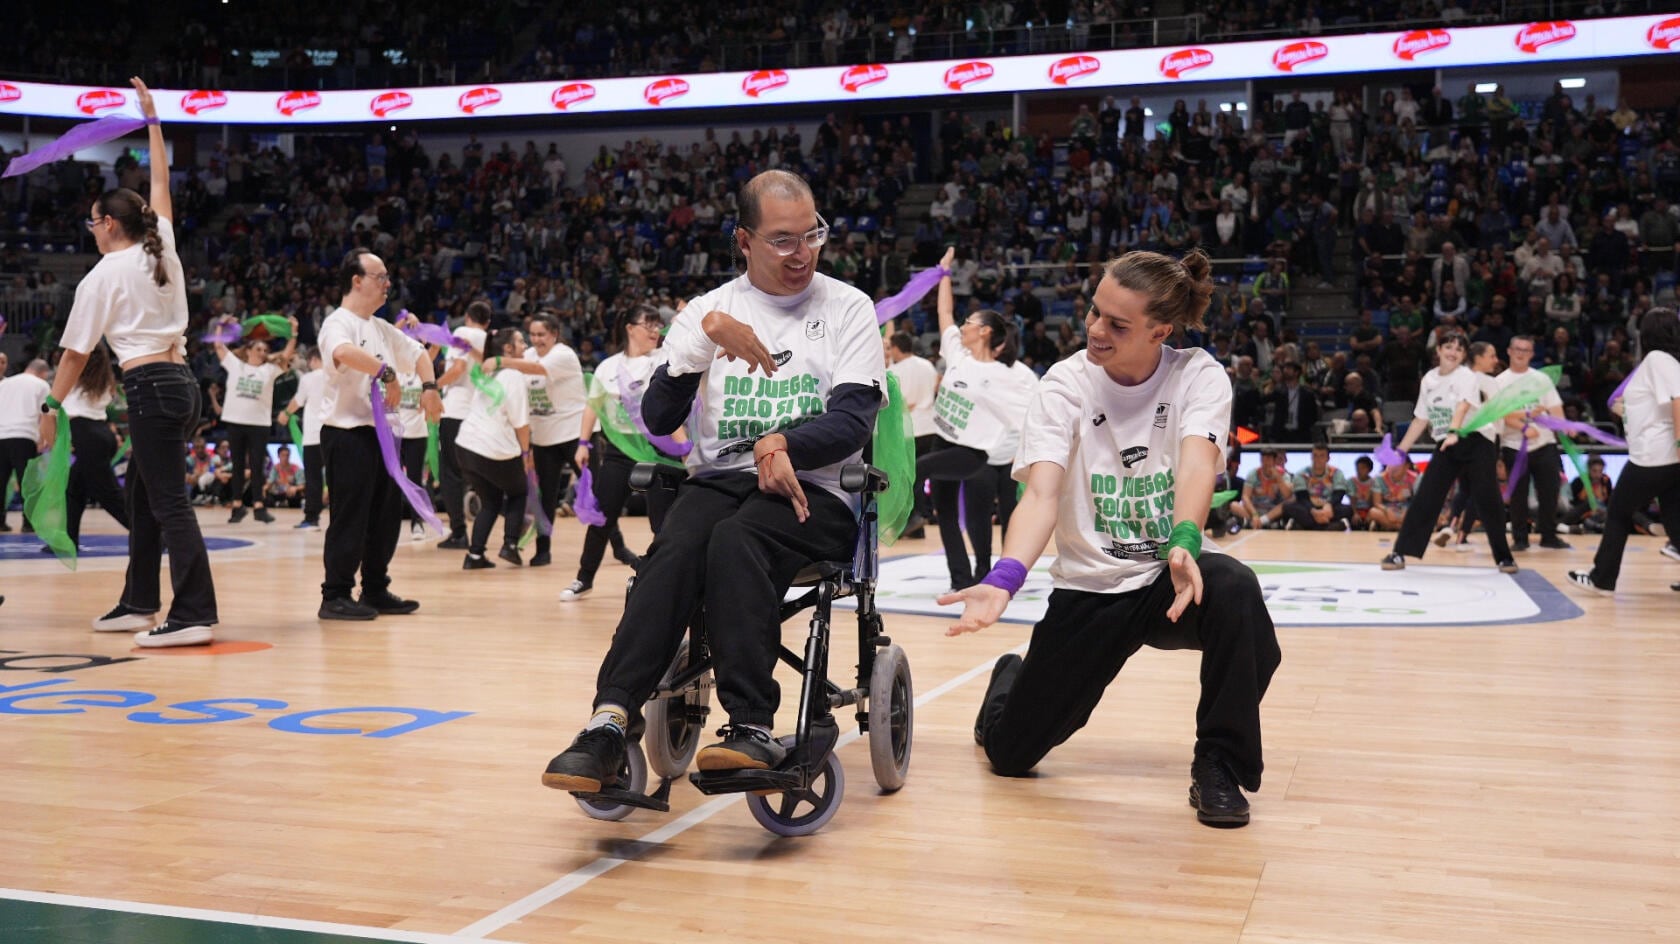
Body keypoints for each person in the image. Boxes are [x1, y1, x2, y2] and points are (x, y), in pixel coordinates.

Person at [542, 170, 883, 791]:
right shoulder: (707, 311)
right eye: (783, 239)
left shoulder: (848, 306)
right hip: (720, 479)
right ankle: (609, 720)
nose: (802, 252)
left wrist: (783, 441)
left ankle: (751, 724)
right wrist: (702, 340)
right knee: (672, 553)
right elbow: (657, 417)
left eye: (812, 234)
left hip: (816, 492)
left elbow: (853, 420)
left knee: (737, 541)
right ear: (743, 240)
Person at [948, 249, 1281, 828]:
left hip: (1168, 575)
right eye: (1095, 313)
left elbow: (1198, 466)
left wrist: (1184, 541)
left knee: (1238, 595)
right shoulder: (1064, 384)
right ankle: (1008, 683)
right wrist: (1004, 580)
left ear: (1161, 331)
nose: (1096, 330)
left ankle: (1218, 767)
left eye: (1117, 324)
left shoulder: (1196, 373)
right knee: (1009, 756)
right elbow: (1042, 495)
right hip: (1093, 586)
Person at [40, 78, 220, 648]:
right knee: (144, 496)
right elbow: (161, 186)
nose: (91, 230)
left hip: (152, 389)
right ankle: (139, 601)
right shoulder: (159, 242)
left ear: (110, 224)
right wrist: (154, 122)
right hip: (182, 385)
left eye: (93, 222)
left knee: (167, 502)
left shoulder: (103, 275)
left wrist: (49, 405)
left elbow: (73, 355)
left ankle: (194, 613)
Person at [314, 248, 444, 620]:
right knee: (350, 515)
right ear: (356, 281)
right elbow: (344, 353)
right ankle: (335, 594)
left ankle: (374, 588)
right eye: (380, 276)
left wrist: (430, 387)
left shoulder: (380, 327)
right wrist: (385, 372)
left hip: (383, 436)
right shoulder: (338, 322)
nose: (387, 283)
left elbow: (418, 353)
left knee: (385, 516)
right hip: (346, 433)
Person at [916, 252, 1035, 590]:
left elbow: (1031, 413)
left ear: (984, 331)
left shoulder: (1008, 374)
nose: (962, 326)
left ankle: (994, 567)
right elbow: (944, 312)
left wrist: (1024, 451)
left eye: (970, 323)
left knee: (921, 469)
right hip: (943, 438)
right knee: (947, 518)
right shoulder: (957, 353)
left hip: (974, 451)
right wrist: (944, 273)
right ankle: (960, 580)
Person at [560, 305, 681, 600]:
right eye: (648, 325)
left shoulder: (665, 359)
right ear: (630, 328)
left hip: (659, 449)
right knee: (603, 516)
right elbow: (593, 406)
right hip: (618, 451)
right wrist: (583, 443)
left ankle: (663, 580)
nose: (655, 331)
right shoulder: (608, 366)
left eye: (658, 325)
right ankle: (583, 578)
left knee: (662, 522)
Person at [1379, 331, 1517, 573]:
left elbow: (1463, 406)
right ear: (1439, 350)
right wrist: (1399, 453)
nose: (1453, 352)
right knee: (1426, 496)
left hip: (1477, 441)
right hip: (1446, 443)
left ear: (1463, 356)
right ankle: (1399, 552)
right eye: (1449, 347)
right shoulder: (1429, 380)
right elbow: (1421, 419)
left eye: (1459, 349)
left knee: (1488, 497)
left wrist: (1454, 430)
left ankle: (1504, 557)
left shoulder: (1466, 376)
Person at [1569, 309, 1680, 593]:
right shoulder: (1662, 363)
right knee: (1673, 515)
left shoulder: (1658, 360)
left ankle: (1602, 578)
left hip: (1655, 455)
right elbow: (1656, 406)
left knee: (1618, 511)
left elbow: (1679, 401)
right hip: (1664, 455)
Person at [455, 329, 533, 569]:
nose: (525, 345)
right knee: (519, 491)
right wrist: (526, 454)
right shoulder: (514, 375)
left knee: (490, 501)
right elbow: (521, 422)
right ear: (507, 349)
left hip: (465, 445)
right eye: (520, 341)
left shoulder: (489, 371)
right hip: (493, 447)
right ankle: (510, 545)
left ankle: (474, 555)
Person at [212, 313, 297, 523]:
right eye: (258, 348)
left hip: (259, 423)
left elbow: (286, 355)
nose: (262, 352)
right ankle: (237, 505)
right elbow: (219, 347)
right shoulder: (235, 365)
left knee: (258, 465)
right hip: (235, 421)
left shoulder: (269, 370)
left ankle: (259, 506)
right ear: (248, 350)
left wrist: (293, 333)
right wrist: (221, 326)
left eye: (265, 350)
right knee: (238, 465)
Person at [520, 313, 584, 568]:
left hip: (573, 434)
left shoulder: (563, 354)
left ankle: (617, 545)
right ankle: (542, 550)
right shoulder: (527, 355)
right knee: (546, 497)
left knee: (596, 492)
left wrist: (502, 360)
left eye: (541, 335)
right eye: (532, 334)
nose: (536, 340)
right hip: (545, 438)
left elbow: (537, 370)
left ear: (554, 334)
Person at [1498, 335, 1571, 552]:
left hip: (1544, 443)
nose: (1521, 353)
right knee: (1518, 495)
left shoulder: (1541, 379)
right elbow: (1500, 415)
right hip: (1513, 444)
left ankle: (1548, 535)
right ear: (1509, 351)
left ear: (1532, 354)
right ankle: (1520, 538)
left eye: (1526, 350)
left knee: (1549, 491)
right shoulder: (1499, 382)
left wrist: (1564, 427)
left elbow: (1555, 406)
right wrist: (1521, 427)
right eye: (1517, 349)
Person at [433, 301, 492, 549]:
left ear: (467, 317)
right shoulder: (488, 339)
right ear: (487, 321)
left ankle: (459, 532)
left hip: (456, 410)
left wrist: (433, 386)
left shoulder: (462, 333)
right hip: (480, 411)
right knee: (479, 472)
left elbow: (458, 368)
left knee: (450, 473)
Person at [62, 345, 130, 547]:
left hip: (86, 435)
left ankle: (152, 537)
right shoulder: (103, 378)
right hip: (102, 433)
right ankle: (69, 540)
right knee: (74, 488)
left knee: (108, 495)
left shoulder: (74, 375)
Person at [884, 330, 939, 538]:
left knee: (907, 477)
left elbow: (898, 401)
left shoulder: (896, 370)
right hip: (930, 427)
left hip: (910, 428)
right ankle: (918, 526)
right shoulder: (927, 365)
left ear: (896, 348)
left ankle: (913, 518)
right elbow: (935, 386)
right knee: (921, 475)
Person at [277, 347, 327, 529]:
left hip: (314, 436)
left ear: (313, 359)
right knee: (337, 479)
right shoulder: (335, 375)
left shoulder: (309, 378)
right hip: (334, 434)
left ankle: (312, 518)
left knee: (314, 479)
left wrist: (284, 414)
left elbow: (298, 400)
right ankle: (340, 517)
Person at [0, 359, 50, 534]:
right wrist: (43, 439)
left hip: (1, 435)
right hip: (24, 435)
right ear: (43, 372)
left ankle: (0, 522)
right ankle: (29, 524)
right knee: (27, 482)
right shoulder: (42, 385)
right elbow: (45, 414)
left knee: (1, 482)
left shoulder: (5, 383)